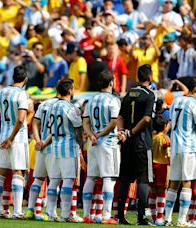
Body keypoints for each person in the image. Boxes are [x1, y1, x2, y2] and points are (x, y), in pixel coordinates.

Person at [117, 64, 156, 225]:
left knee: (125, 179)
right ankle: (141, 217)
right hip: (141, 142)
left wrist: (122, 132)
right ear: (150, 77)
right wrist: (132, 132)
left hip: (127, 143)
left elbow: (120, 117)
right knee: (143, 180)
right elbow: (147, 119)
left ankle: (120, 216)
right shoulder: (149, 95)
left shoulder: (127, 94)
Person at [82, 70, 121, 225]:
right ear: (111, 82)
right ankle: (106, 215)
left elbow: (85, 121)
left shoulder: (91, 100)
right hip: (108, 143)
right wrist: (99, 135)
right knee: (108, 177)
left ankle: (86, 215)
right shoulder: (113, 100)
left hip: (93, 143)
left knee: (91, 177)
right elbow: (113, 123)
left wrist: (91, 134)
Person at [42, 79, 83, 222]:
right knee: (68, 180)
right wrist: (81, 143)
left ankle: (50, 212)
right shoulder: (71, 108)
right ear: (70, 90)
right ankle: (66, 214)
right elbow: (78, 129)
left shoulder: (52, 106)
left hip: (54, 147)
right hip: (69, 147)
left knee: (53, 180)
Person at [0, 65, 29, 219]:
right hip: (17, 138)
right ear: (25, 79)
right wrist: (12, 138)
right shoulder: (22, 94)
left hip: (3, 135)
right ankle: (17, 211)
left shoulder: (2, 92)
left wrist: (6, 138)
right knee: (18, 171)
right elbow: (21, 119)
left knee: (1, 172)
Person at [165, 77, 196, 226]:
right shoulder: (194, 104)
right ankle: (182, 220)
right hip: (188, 147)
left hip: (175, 146)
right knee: (187, 182)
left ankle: (167, 218)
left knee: (174, 183)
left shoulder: (176, 101)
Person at [26, 95, 59, 220]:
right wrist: (45, 142)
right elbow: (56, 129)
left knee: (38, 180)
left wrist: (38, 140)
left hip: (41, 147)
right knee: (54, 181)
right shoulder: (61, 105)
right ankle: (51, 212)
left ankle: (30, 210)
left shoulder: (44, 104)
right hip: (54, 148)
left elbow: (35, 123)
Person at [149, 115, 170, 226]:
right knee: (161, 192)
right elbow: (168, 155)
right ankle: (159, 218)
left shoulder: (151, 136)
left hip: (151, 165)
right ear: (165, 126)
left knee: (152, 192)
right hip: (162, 166)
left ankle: (153, 218)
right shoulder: (165, 138)